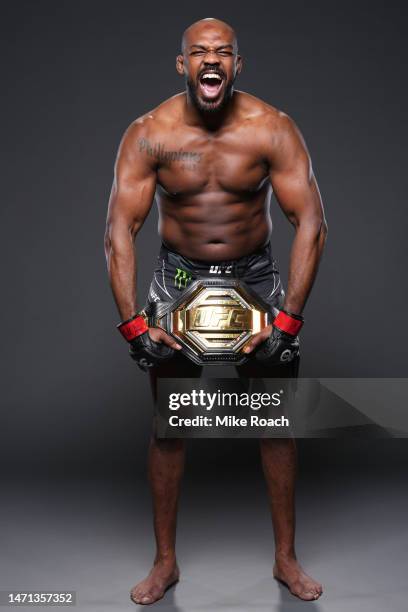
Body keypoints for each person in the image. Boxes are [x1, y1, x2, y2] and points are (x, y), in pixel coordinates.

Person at [104, 17, 327, 605]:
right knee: (170, 428)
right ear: (182, 65)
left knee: (273, 424)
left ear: (236, 64)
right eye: (199, 52)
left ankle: (285, 560)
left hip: (253, 281)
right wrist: (134, 324)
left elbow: (312, 223)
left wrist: (289, 320)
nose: (211, 60)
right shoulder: (151, 133)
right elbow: (119, 231)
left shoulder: (271, 128)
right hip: (178, 282)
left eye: (222, 52)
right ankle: (165, 563)